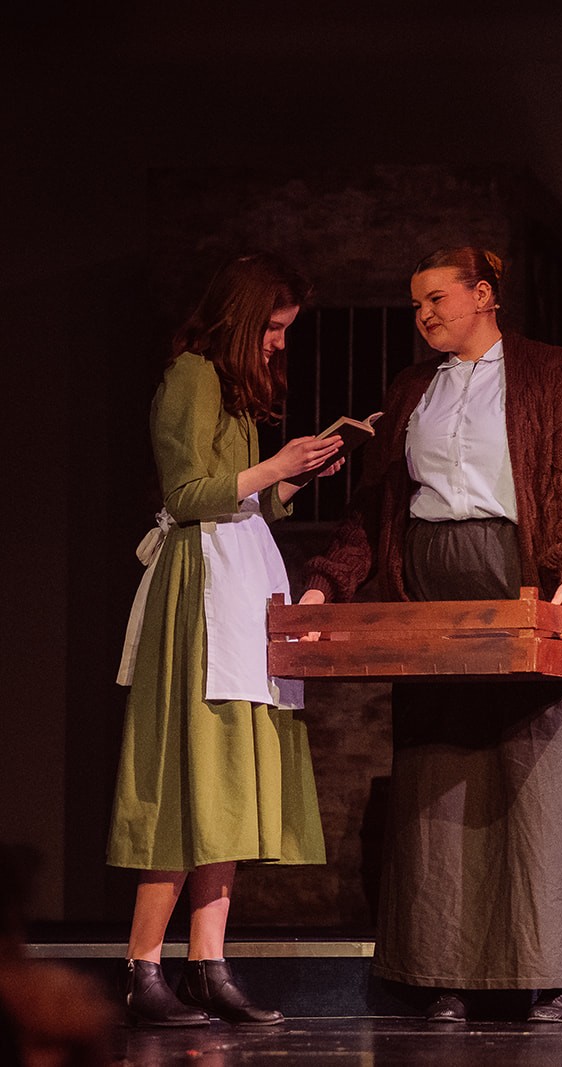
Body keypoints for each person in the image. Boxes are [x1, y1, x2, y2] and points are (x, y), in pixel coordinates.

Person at [300, 246, 562, 1025]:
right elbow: (377, 505)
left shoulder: (552, 372)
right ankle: (442, 973)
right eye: (416, 303)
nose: (424, 314)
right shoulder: (412, 388)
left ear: (484, 295)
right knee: (438, 774)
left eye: (436, 298)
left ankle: (542, 975)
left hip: (516, 571)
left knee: (533, 772)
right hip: (431, 584)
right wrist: (328, 581)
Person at [108, 253, 341, 1027]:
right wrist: (272, 466)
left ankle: (207, 962)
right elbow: (186, 494)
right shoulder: (192, 375)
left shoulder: (233, 391)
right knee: (189, 773)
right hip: (199, 590)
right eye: (272, 327)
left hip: (239, 585)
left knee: (229, 776)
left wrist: (291, 477)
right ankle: (143, 965)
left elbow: (241, 498)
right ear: (241, 317)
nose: (278, 343)